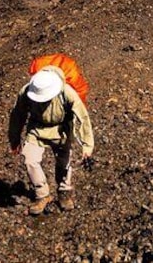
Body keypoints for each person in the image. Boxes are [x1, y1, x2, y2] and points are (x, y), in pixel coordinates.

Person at [8, 66, 94, 215]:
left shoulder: (67, 93)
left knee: (64, 163)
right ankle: (42, 195)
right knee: (30, 159)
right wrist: (14, 139)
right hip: (37, 130)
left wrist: (87, 145)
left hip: (61, 130)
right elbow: (17, 115)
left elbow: (82, 117)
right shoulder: (26, 92)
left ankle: (64, 193)